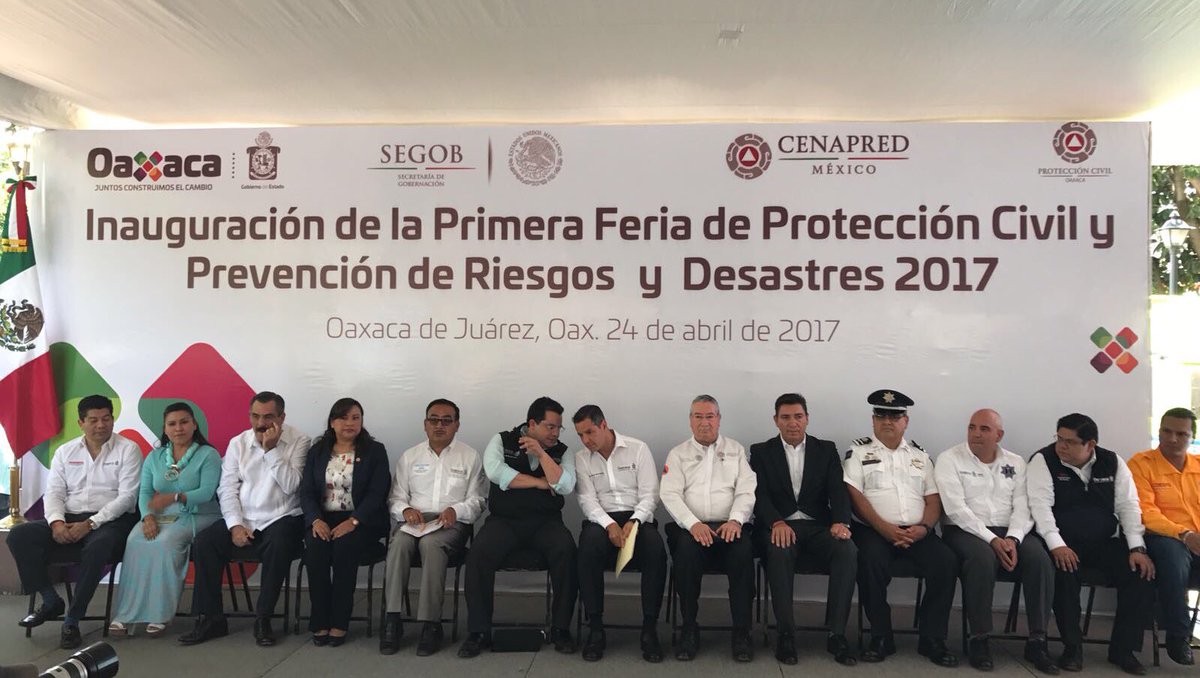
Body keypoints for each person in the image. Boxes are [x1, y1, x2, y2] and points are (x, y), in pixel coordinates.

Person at [8, 394, 141, 649]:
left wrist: (90, 524)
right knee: (19, 536)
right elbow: (54, 493)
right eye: (94, 420)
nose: (101, 425)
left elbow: (127, 498)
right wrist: (57, 523)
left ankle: (72, 619)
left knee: (98, 546)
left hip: (111, 520)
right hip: (70, 517)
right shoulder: (65, 451)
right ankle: (50, 600)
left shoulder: (128, 449)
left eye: (106, 419)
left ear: (113, 419)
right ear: (81, 423)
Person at [1027, 413, 1155, 675]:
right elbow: (1040, 507)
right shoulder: (1044, 460)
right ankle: (1072, 647)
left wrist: (1136, 548)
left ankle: (1124, 650)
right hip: (1062, 542)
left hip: (1102, 542)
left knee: (1139, 571)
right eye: (1059, 439)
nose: (1061, 446)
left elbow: (1129, 506)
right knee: (1064, 572)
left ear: (1090, 444)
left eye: (1070, 442)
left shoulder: (1112, 462)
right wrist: (1056, 544)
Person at [180, 391, 310, 647]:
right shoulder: (238, 442)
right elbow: (227, 488)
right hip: (245, 518)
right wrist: (235, 525)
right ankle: (211, 618)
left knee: (279, 544)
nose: (261, 423)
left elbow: (292, 486)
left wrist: (271, 450)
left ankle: (263, 618)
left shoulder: (300, 440)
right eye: (255, 416)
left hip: (282, 516)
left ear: (282, 417)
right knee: (205, 543)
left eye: (268, 417)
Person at [934, 409, 1057, 674]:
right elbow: (955, 509)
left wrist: (1013, 537)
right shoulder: (950, 459)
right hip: (964, 531)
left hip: (1011, 531)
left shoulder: (1016, 462)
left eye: (984, 429)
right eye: (972, 427)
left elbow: (1023, 505)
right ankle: (979, 638)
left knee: (1039, 559)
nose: (976, 433)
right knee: (982, 559)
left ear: (999, 435)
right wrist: (992, 540)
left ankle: (1037, 639)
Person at [843, 389, 959, 667]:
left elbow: (933, 498)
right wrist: (884, 528)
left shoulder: (921, 455)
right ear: (873, 420)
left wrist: (925, 528)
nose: (888, 421)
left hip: (918, 531)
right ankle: (881, 636)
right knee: (868, 562)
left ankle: (932, 638)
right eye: (881, 415)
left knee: (946, 562)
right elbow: (854, 495)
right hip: (874, 530)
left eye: (894, 416)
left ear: (905, 421)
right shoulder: (858, 452)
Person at [458, 396, 579, 658]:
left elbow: (565, 485)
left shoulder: (562, 451)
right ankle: (478, 631)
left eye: (559, 428)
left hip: (546, 522)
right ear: (532, 424)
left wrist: (542, 454)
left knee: (567, 551)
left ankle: (561, 629)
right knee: (478, 553)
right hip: (505, 520)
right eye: (550, 427)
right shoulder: (502, 440)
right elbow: (495, 472)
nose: (556, 433)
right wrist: (539, 483)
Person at [749, 392, 857, 666]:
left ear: (807, 418)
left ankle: (836, 634)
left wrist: (841, 522)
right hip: (780, 525)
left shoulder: (826, 450)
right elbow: (758, 495)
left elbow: (838, 490)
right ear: (776, 420)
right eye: (785, 417)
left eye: (798, 416)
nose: (792, 423)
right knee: (779, 549)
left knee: (847, 550)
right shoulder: (761, 452)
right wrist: (776, 522)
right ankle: (786, 634)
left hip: (819, 525)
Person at [381, 398, 486, 656]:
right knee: (398, 543)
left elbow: (478, 500)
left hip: (449, 523)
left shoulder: (470, 456)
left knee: (431, 544)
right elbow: (395, 498)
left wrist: (456, 510)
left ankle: (431, 624)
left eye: (446, 421)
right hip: (414, 521)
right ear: (425, 424)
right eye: (434, 420)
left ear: (457, 425)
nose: (440, 425)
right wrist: (405, 511)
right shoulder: (410, 456)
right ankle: (392, 620)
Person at [108, 402, 222, 636]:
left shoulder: (208, 455)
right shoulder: (155, 456)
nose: (178, 428)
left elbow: (207, 492)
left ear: (194, 425)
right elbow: (145, 493)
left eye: (184, 422)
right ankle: (126, 614)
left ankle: (158, 614)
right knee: (135, 541)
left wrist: (175, 497)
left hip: (198, 514)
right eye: (172, 424)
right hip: (161, 514)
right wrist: (147, 517)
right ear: (165, 428)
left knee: (164, 542)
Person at [660, 394, 757, 662]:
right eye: (698, 416)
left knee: (743, 554)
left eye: (710, 416)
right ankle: (689, 628)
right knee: (685, 555)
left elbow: (747, 490)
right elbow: (669, 494)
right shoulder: (678, 454)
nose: (705, 422)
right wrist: (693, 524)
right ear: (690, 421)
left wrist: (736, 519)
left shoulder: (735, 450)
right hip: (692, 528)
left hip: (730, 527)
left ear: (719, 419)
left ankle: (742, 631)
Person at [572, 404, 668, 663]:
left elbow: (651, 494)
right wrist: (609, 524)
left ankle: (649, 629)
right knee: (587, 547)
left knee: (655, 549)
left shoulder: (638, 449)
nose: (586, 440)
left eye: (590, 432)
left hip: (637, 517)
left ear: (603, 425)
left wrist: (635, 520)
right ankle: (595, 628)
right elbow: (587, 500)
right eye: (580, 435)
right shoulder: (581, 458)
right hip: (601, 520)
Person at [299, 397, 391, 646]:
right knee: (315, 552)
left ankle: (339, 622)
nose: (349, 423)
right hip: (323, 518)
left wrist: (354, 521)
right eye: (343, 417)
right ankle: (320, 621)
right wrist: (315, 520)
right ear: (332, 422)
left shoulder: (374, 451)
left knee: (344, 549)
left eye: (355, 418)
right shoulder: (318, 451)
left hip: (361, 519)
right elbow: (306, 492)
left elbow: (377, 492)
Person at [1128, 407, 1200, 666]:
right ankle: (1179, 635)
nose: (1172, 439)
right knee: (1173, 555)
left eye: (1181, 434)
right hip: (1162, 537)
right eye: (1166, 431)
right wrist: (1184, 534)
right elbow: (1145, 512)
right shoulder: (1141, 464)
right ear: (1158, 431)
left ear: (1192, 437)